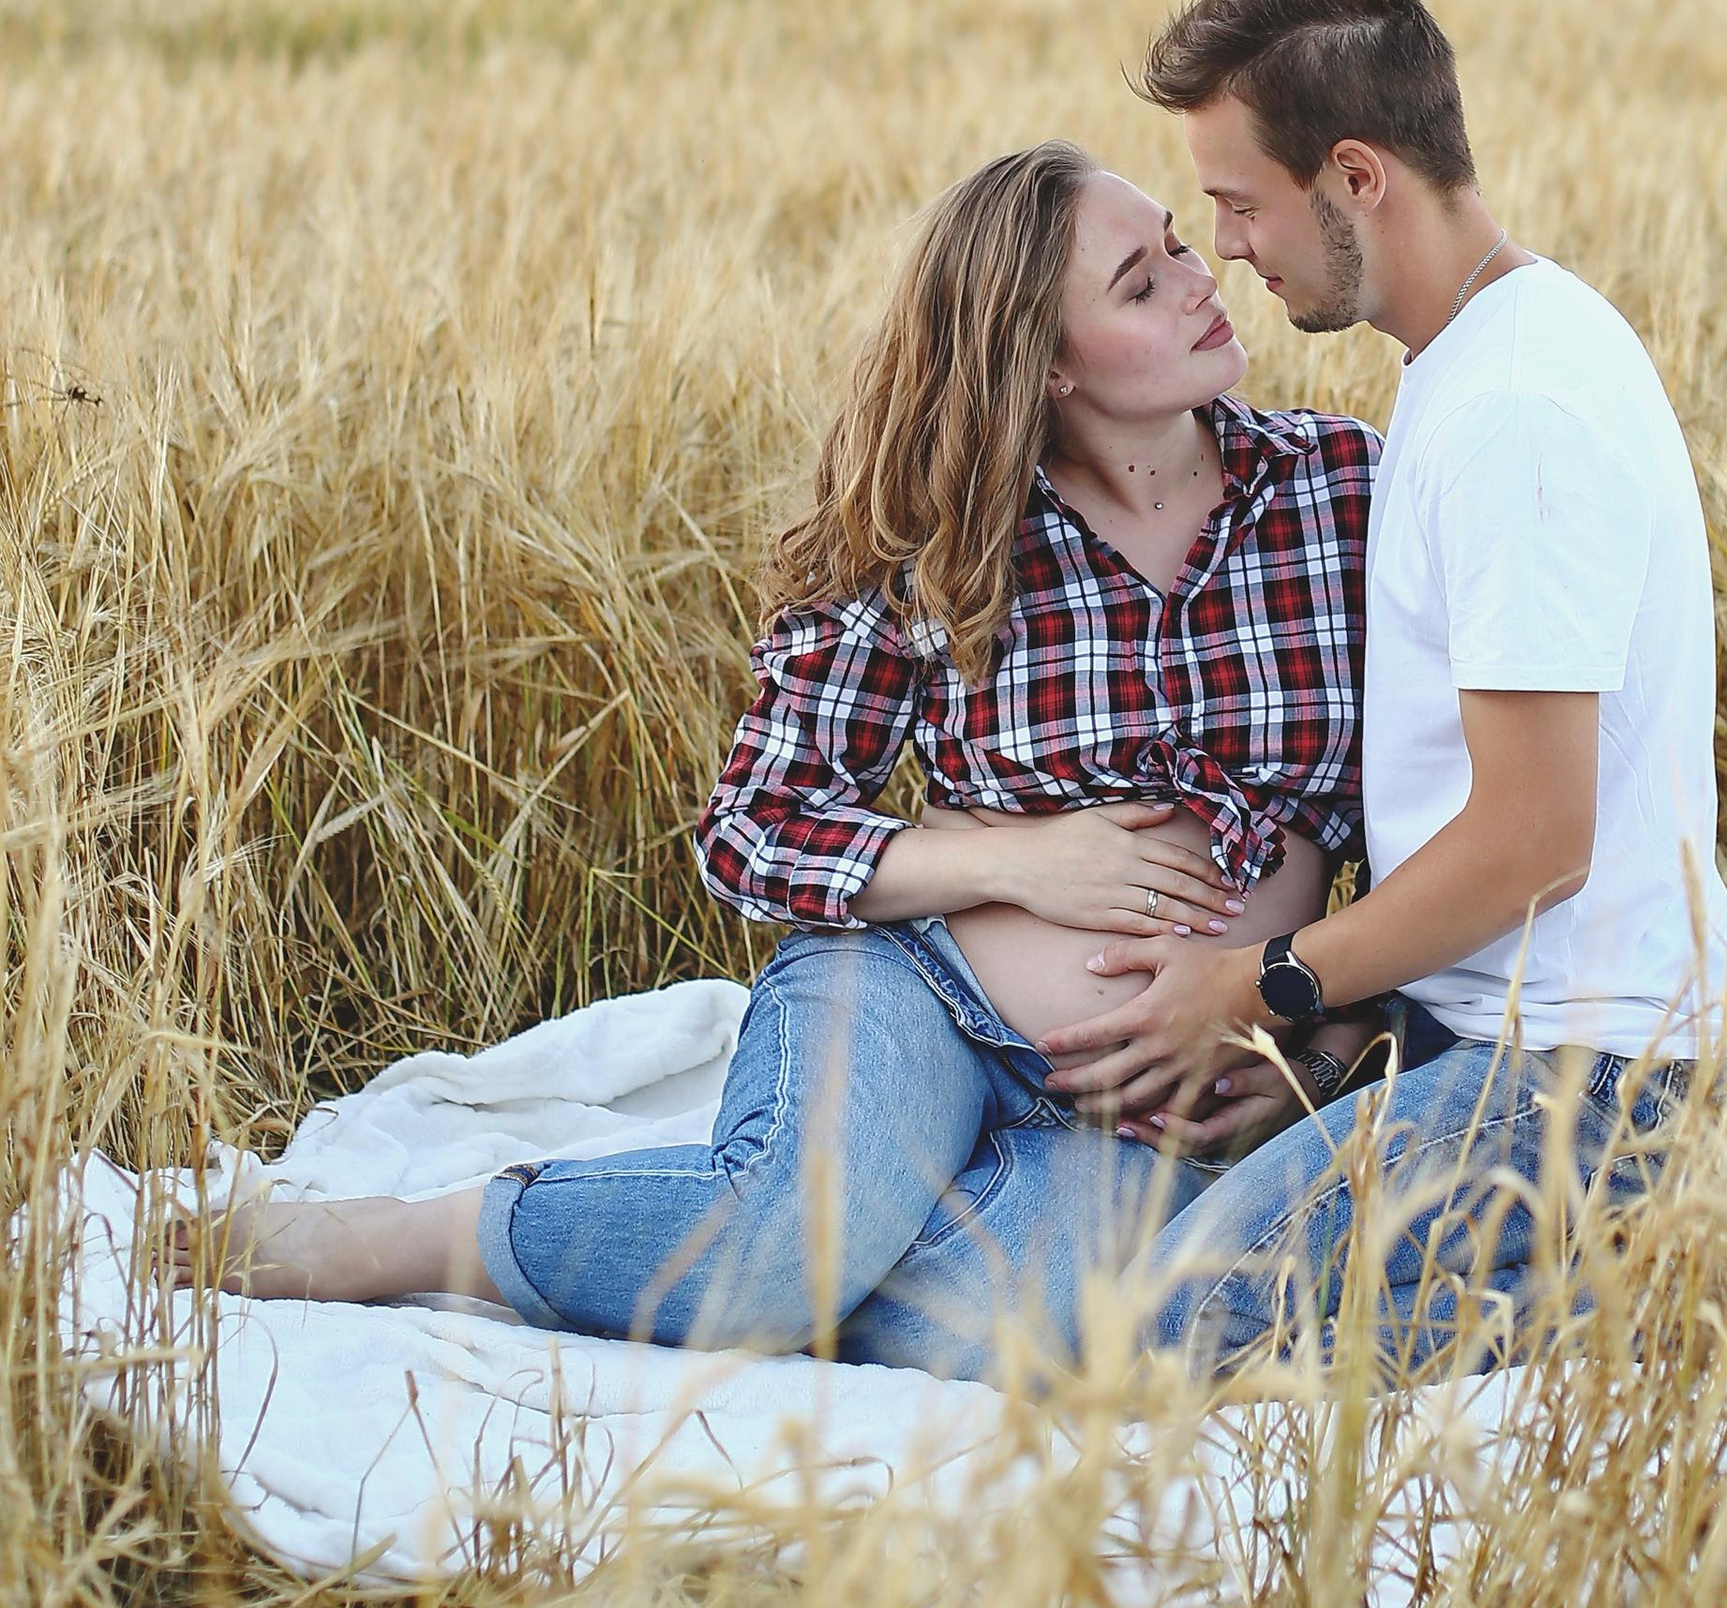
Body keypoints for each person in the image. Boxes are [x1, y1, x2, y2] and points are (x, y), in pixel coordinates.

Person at [209, 141, 1378, 1368]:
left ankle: (790, 1224)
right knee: (792, 1243)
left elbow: (1449, 830)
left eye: (1179, 248)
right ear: (1040, 362)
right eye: (1139, 285)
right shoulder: (939, 533)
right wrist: (1019, 864)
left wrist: (1320, 1041)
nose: (1200, 281)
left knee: (1004, 1335)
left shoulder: (1341, 494)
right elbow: (755, 826)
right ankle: (423, 1238)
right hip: (916, 986)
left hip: (1144, 1103)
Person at [1038, 0, 1727, 1375]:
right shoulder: (1490, 349)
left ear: (1358, 177)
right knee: (1152, 1281)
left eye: (1242, 204)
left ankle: (1699, 1297)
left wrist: (1264, 986)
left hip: (1585, 1072)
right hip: (1510, 1038)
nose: (1228, 248)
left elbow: (1534, 841)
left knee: (1171, 1334)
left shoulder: (1511, 414)